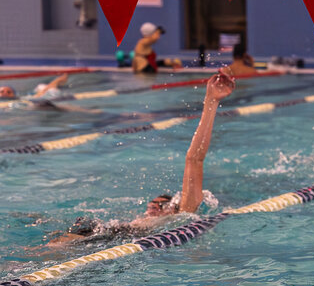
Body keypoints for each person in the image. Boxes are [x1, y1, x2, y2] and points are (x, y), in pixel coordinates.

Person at [47, 69, 235, 245]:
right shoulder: (147, 219)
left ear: (172, 208)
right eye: (152, 203)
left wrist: (211, 101)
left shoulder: (184, 212)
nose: (152, 206)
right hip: (108, 233)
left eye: (159, 205)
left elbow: (194, 159)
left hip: (114, 238)